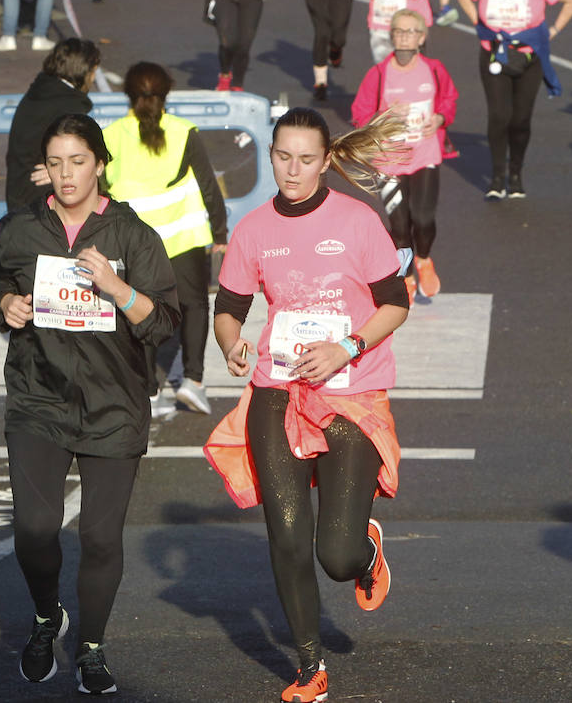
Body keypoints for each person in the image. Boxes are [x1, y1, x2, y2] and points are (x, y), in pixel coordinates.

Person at [203, 106, 411, 703]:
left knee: (334, 556)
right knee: (287, 536)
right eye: (281, 156)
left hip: (350, 391)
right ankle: (309, 666)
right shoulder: (253, 230)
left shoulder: (358, 220)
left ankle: (364, 549)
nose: (291, 170)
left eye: (304, 159)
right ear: (270, 154)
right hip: (278, 389)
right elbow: (231, 306)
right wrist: (231, 343)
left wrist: (345, 346)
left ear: (325, 162)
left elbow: (395, 303)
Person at [0, 113, 180, 695]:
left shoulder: (131, 236)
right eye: (56, 163)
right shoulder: (21, 229)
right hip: (38, 398)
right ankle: (48, 617)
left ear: (99, 164)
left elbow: (164, 322)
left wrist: (118, 290)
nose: (66, 175)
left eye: (78, 162)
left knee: (99, 538)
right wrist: (5, 304)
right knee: (34, 527)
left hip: (113, 405)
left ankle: (90, 645)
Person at [102, 62, 228, 416]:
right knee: (194, 306)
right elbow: (208, 186)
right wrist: (220, 232)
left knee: (139, 312)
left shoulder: (110, 136)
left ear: (128, 94)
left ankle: (149, 390)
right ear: (166, 93)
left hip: (135, 245)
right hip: (183, 238)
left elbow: (100, 190)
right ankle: (193, 382)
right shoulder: (184, 132)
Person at [456, 0, 572, 199]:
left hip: (529, 56)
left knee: (521, 119)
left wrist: (553, 30)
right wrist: (477, 22)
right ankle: (497, 176)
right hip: (494, 54)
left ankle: (516, 173)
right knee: (499, 115)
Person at [351, 9, 458, 300]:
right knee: (399, 226)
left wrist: (439, 118)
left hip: (425, 156)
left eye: (411, 31)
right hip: (389, 162)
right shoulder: (379, 74)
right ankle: (407, 275)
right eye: (399, 31)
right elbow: (359, 114)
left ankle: (423, 257)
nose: (404, 36)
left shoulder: (434, 69)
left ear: (421, 37)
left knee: (423, 219)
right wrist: (382, 117)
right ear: (391, 36)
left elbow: (449, 98)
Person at [5, 38, 101, 211]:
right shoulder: (69, 107)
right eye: (93, 72)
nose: (93, 79)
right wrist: (56, 170)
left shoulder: (40, 92)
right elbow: (80, 159)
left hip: (19, 194)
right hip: (42, 203)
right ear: (83, 71)